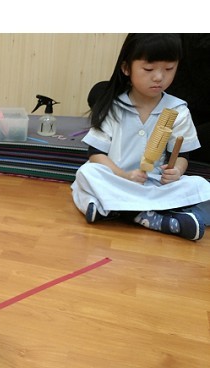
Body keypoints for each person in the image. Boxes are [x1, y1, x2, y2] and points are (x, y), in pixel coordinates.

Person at [72, 33, 210, 241]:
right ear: (126, 68)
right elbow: (96, 154)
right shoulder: (114, 106)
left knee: (201, 186)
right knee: (87, 173)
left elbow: (182, 155)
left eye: (169, 69)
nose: (159, 77)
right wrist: (124, 175)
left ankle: (117, 209)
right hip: (117, 178)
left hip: (155, 183)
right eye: (148, 69)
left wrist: (177, 171)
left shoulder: (178, 110)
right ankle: (153, 216)